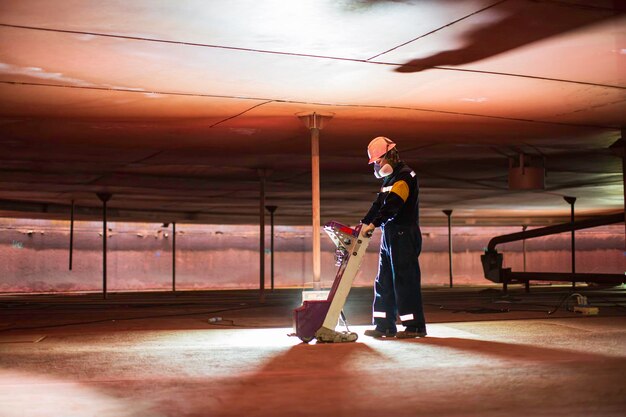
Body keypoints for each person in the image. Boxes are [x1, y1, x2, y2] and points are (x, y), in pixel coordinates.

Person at [361, 136, 427, 338]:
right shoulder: (390, 179)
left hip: (403, 233)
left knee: (405, 281)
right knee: (384, 281)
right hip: (390, 234)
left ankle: (414, 326)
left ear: (389, 157)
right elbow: (378, 205)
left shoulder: (405, 177)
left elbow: (393, 205)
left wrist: (374, 224)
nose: (376, 167)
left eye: (378, 162)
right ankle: (384, 325)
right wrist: (365, 223)